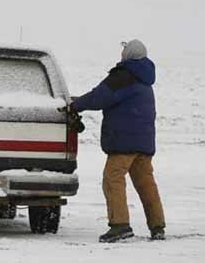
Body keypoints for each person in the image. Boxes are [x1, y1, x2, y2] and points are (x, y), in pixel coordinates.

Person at [70, 39, 166, 243]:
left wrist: (75, 105)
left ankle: (120, 225)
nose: (121, 52)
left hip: (124, 141)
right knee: (146, 183)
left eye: (124, 49)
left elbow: (99, 97)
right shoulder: (144, 79)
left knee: (112, 178)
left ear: (129, 53)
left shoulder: (124, 75)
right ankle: (157, 226)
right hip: (143, 142)